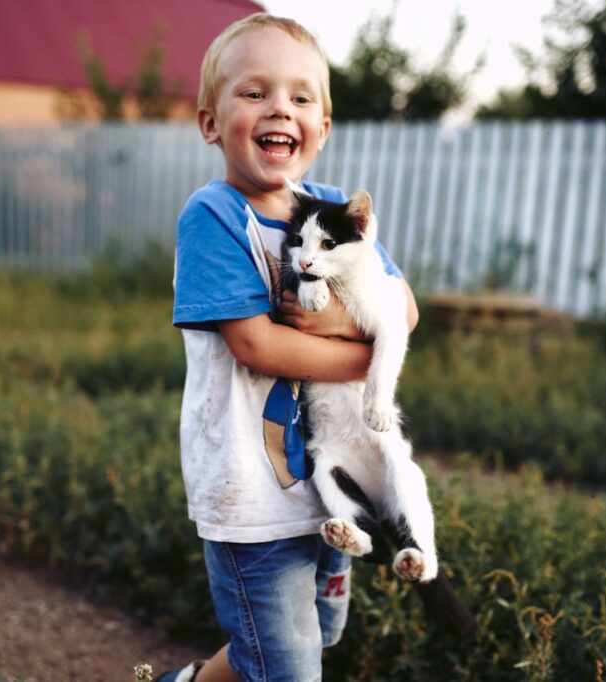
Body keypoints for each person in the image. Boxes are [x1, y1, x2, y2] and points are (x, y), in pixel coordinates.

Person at [159, 13, 418, 682]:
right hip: (252, 491)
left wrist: (333, 326)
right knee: (285, 665)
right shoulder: (215, 215)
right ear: (210, 121)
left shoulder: (332, 210)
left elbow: (406, 307)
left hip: (331, 482)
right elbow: (255, 344)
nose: (281, 108)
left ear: (323, 128)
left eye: (302, 97)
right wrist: (368, 355)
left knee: (310, 638)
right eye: (255, 92)